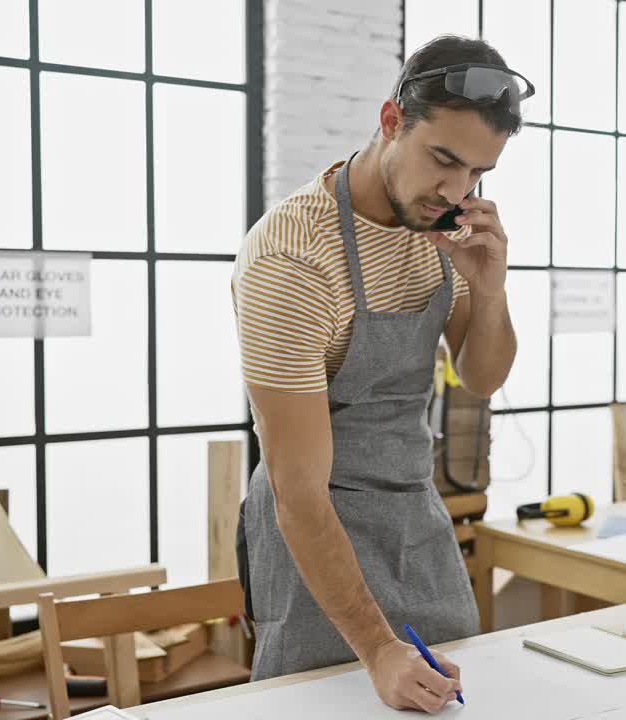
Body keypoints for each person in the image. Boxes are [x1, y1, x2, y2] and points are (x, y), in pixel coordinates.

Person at [231, 34, 529, 713]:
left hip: (417, 522)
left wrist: (488, 290)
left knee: (453, 701)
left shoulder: (443, 231)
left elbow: (481, 379)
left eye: (477, 174)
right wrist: (376, 646)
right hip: (314, 539)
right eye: (442, 161)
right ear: (392, 122)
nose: (454, 193)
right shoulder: (293, 260)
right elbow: (297, 492)